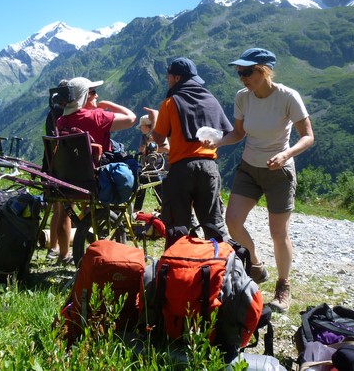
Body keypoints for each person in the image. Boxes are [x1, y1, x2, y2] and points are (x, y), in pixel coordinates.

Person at [208, 48, 314, 313]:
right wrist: (217, 141)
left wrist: (286, 153)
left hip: (280, 171)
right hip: (249, 168)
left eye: (247, 72)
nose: (242, 77)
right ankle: (255, 264)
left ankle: (283, 285)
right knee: (232, 221)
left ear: (264, 70)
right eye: (239, 72)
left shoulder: (288, 97)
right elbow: (239, 133)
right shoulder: (243, 97)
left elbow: (308, 136)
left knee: (278, 233)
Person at [146, 57, 233, 248]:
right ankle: (223, 271)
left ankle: (178, 273)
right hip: (209, 168)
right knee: (214, 225)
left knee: (178, 228)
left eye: (169, 76)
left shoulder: (171, 102)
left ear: (177, 78)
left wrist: (154, 123)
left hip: (181, 169)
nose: (167, 79)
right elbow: (227, 132)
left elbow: (159, 139)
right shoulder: (211, 99)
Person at [54, 77, 137, 265]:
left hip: (70, 179)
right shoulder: (96, 117)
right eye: (92, 92)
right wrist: (109, 105)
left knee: (62, 213)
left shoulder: (61, 121)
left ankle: (63, 255)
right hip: (95, 180)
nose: (97, 96)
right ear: (83, 96)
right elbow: (131, 118)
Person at [42, 80, 70, 261]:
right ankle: (65, 254)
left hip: (50, 166)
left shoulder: (52, 113)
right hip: (64, 167)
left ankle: (53, 247)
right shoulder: (65, 114)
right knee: (67, 210)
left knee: (57, 210)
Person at [133, 114, 168, 212]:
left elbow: (166, 148)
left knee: (159, 190)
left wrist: (151, 148)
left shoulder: (158, 135)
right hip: (146, 167)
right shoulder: (145, 136)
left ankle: (166, 209)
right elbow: (141, 149)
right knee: (141, 189)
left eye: (141, 126)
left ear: (146, 126)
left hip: (157, 168)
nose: (140, 128)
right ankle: (136, 211)